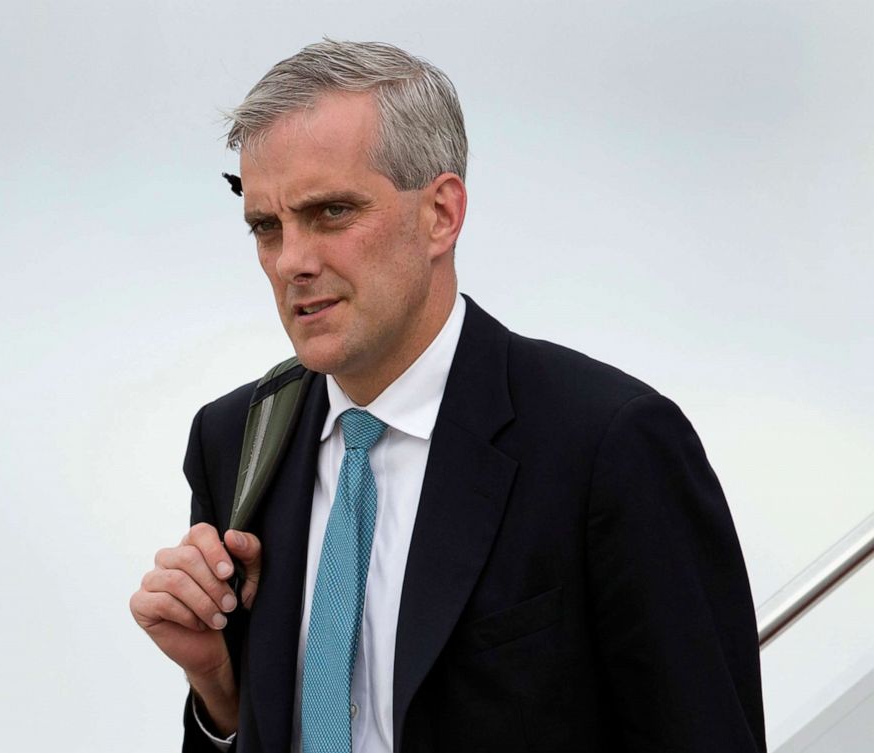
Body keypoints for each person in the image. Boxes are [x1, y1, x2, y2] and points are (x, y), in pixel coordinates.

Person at [129, 40, 766, 753]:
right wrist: (218, 696)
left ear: (441, 213)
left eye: (332, 212)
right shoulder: (232, 440)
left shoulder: (610, 444)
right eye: (266, 226)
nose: (292, 262)